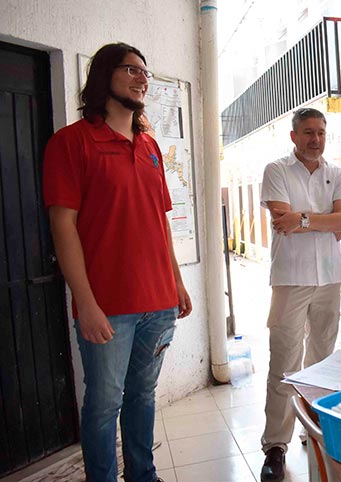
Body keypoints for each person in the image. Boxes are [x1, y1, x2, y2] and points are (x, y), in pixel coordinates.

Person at [43, 43, 192, 482]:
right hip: (107, 305)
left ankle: (143, 475)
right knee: (105, 403)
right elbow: (63, 227)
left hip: (158, 302)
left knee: (144, 396)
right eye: (130, 69)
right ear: (104, 76)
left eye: (145, 72)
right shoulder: (71, 142)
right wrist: (85, 303)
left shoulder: (149, 146)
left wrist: (177, 283)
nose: (141, 78)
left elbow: (159, 222)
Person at [259, 107, 341, 482]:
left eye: (321, 132)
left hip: (330, 278)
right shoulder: (277, 171)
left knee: (323, 359)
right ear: (294, 136)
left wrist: (302, 220)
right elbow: (281, 219)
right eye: (308, 132)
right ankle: (275, 446)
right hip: (290, 279)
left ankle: (312, 427)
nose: (316, 139)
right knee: (284, 362)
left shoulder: (337, 174)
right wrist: (319, 221)